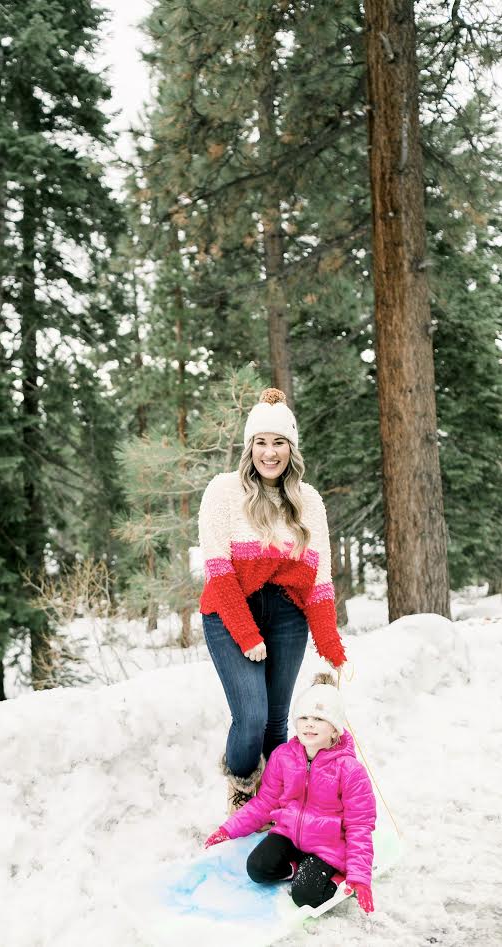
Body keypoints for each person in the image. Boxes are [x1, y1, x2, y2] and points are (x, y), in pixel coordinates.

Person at [198, 387, 346, 814]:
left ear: (291, 448)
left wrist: (331, 645)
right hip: (230, 611)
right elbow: (218, 570)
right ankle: (243, 785)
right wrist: (245, 634)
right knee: (252, 717)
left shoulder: (308, 502)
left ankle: (272, 797)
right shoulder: (223, 492)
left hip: (286, 614)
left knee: (277, 721)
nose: (269, 452)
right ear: (249, 447)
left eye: (279, 442)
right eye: (260, 442)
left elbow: (318, 582)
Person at [204, 673, 376, 914]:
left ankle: (337, 878)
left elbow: (360, 825)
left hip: (328, 846)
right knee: (257, 868)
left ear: (335, 729)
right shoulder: (284, 757)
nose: (309, 724)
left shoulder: (349, 770)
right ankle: (296, 868)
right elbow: (265, 802)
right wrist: (228, 829)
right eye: (303, 717)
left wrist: (359, 876)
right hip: (291, 835)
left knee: (305, 896)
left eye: (319, 718)